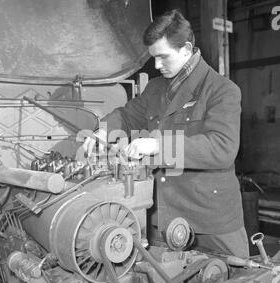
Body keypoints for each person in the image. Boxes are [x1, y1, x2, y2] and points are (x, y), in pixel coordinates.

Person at [79, 9, 249, 258]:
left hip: (210, 221)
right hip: (162, 216)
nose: (157, 65)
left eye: (163, 57)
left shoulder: (222, 91)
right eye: (153, 58)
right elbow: (127, 115)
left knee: (229, 282)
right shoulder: (156, 88)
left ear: (186, 49)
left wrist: (158, 145)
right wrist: (101, 133)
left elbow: (222, 148)